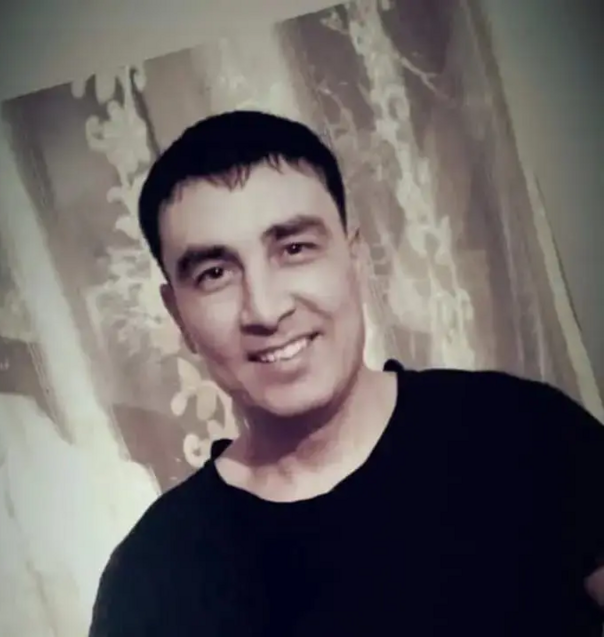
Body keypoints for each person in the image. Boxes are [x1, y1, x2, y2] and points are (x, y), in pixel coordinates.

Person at [89, 110, 604, 636]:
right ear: (178, 315)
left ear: (354, 258)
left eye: (294, 249)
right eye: (214, 273)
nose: (265, 309)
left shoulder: (522, 430)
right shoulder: (152, 579)